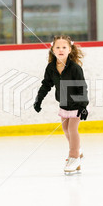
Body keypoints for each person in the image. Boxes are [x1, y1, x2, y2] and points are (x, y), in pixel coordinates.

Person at [33, 35, 89, 175]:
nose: (61, 50)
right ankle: (77, 149)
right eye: (57, 47)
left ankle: (74, 156)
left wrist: (83, 106)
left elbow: (82, 87)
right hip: (63, 103)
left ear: (70, 49)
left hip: (76, 103)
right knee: (65, 129)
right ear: (52, 50)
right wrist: (39, 99)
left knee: (72, 129)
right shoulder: (51, 68)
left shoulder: (75, 68)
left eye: (64, 47)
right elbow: (46, 84)